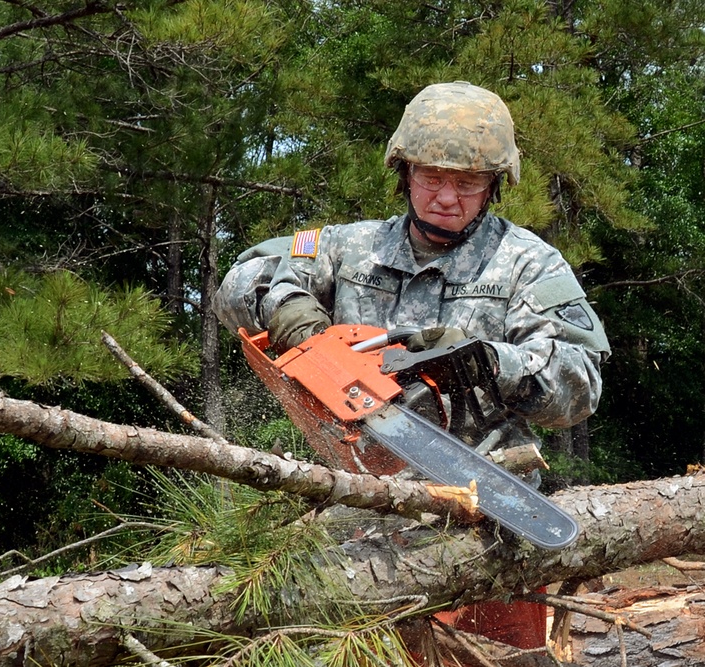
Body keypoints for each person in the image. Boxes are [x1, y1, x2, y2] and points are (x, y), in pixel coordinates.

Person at [214, 81, 610, 650]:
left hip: (489, 523)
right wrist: (288, 307)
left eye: (467, 183)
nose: (446, 197)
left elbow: (581, 384)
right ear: (405, 174)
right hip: (360, 514)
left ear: (494, 185)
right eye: (432, 178)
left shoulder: (528, 263)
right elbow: (239, 279)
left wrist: (489, 362)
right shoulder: (350, 247)